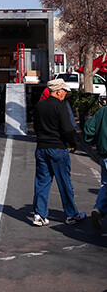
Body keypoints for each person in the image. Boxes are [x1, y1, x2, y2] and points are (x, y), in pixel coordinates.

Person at [32, 78, 86, 226]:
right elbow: (67, 129)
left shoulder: (39, 105)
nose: (66, 94)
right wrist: (73, 143)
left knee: (42, 182)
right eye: (64, 91)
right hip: (58, 147)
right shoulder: (60, 106)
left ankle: (39, 215)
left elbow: (36, 126)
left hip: (42, 147)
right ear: (58, 91)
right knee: (64, 183)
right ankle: (71, 215)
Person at [83, 104, 107, 230]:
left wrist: (93, 141)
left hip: (104, 154)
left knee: (105, 184)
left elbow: (89, 129)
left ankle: (99, 209)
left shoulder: (102, 111)